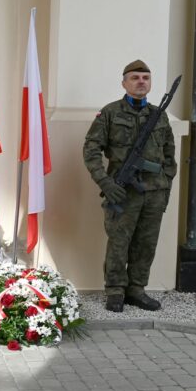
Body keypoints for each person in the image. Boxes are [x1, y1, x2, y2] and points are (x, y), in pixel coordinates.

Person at [83, 60, 176, 313]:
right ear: (124, 83)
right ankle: (115, 290)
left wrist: (165, 185)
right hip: (122, 192)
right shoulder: (110, 113)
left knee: (146, 243)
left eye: (146, 77)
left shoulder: (159, 115)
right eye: (135, 77)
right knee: (119, 242)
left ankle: (136, 289)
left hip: (154, 192)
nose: (141, 82)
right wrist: (105, 182)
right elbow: (91, 149)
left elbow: (169, 155)